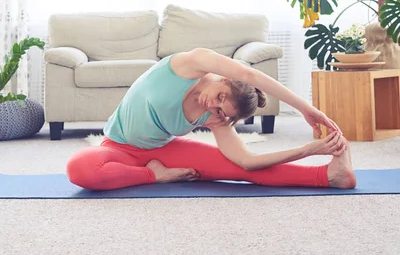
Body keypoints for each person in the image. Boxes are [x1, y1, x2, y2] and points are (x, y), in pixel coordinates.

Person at [66, 48, 357, 191]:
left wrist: (308, 151)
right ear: (225, 78)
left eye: (222, 112)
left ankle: (329, 176)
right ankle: (154, 176)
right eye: (220, 97)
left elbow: (247, 161)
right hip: (118, 146)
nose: (214, 107)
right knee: (80, 170)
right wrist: (307, 109)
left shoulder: (216, 116)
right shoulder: (190, 63)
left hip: (163, 151)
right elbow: (251, 75)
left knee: (240, 172)